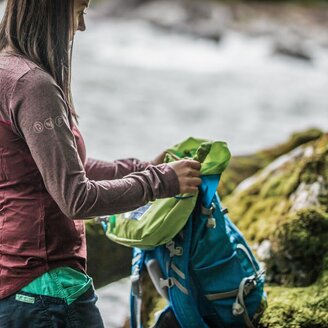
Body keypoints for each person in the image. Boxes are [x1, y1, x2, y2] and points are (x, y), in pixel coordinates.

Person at [0, 0, 202, 327]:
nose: (81, 26)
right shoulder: (32, 84)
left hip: (14, 289)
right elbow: (75, 198)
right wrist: (161, 182)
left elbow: (56, 166)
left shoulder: (6, 71)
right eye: (80, 10)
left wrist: (139, 167)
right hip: (48, 292)